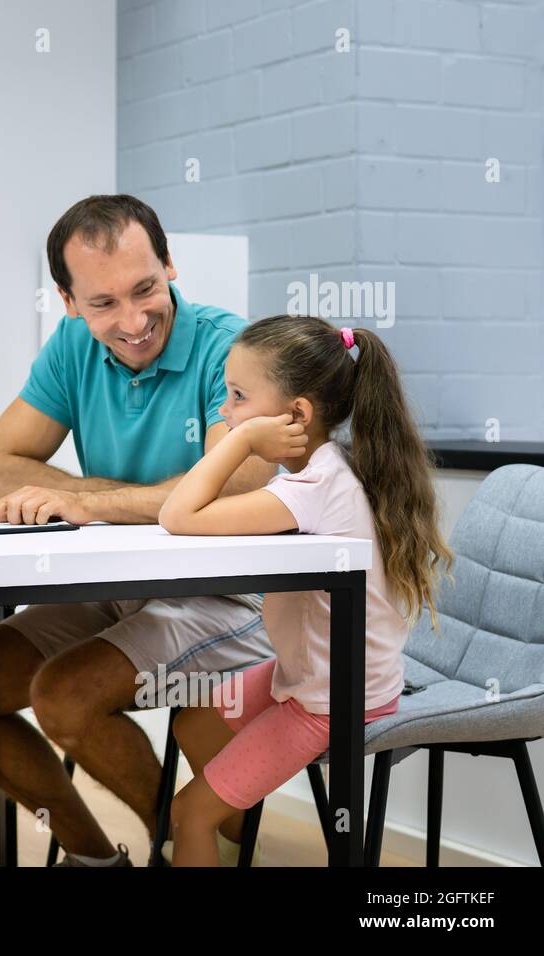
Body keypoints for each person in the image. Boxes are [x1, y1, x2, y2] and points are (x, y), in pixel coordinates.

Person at [0, 195, 278, 867]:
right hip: (121, 585)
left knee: (65, 696)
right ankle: (96, 859)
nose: (134, 320)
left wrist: (92, 504)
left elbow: (238, 481)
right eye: (103, 303)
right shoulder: (71, 348)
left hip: (225, 597)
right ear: (67, 301)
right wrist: (111, 500)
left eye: (146, 289)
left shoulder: (232, 348)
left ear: (170, 264)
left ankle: (181, 846)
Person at [159, 315, 453, 866]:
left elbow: (178, 514)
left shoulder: (316, 485)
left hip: (333, 697)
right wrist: (246, 428)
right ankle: (234, 839)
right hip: (309, 673)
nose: (225, 409)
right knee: (194, 721)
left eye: (239, 396)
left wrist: (243, 440)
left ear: (296, 415)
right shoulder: (323, 469)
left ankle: (207, 828)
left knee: (187, 813)